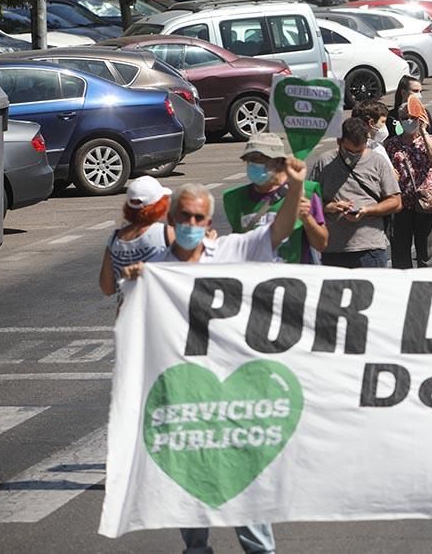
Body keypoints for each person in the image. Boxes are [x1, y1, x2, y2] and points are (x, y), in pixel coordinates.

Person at [118, 164, 309, 554]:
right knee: (190, 499)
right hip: (184, 402)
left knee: (245, 491)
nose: (190, 223)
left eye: (198, 217)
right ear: (172, 220)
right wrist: (134, 287)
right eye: (184, 216)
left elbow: (280, 231)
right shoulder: (155, 272)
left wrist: (298, 186)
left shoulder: (230, 252)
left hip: (233, 398)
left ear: (208, 222)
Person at [309, 117, 402, 268]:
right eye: (349, 151)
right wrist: (328, 207)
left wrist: (367, 210)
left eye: (359, 151)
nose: (354, 156)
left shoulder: (378, 162)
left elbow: (396, 202)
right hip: (333, 250)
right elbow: (308, 202)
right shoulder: (323, 163)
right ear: (339, 141)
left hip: (370, 249)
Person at [222, 132, 327, 264]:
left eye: (260, 159)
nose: (254, 164)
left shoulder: (305, 192)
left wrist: (307, 218)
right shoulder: (236, 198)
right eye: (250, 159)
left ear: (278, 162)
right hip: (254, 279)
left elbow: (321, 244)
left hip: (292, 279)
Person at [384, 107, 432, 268]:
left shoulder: (428, 139)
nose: (409, 120)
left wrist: (423, 131)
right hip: (401, 202)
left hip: (426, 202)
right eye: (405, 117)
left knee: (427, 253)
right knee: (400, 252)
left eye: (413, 117)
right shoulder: (392, 144)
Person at [98, 176, 173, 297]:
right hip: (160, 310)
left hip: (128, 312)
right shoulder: (166, 233)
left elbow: (107, 288)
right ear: (159, 205)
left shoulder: (115, 239)